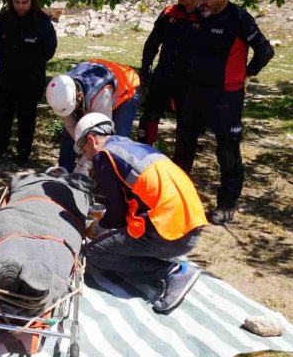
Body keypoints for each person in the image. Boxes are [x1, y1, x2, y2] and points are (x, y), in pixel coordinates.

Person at [75, 113, 208, 313]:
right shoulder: (130, 146)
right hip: (190, 223)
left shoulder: (104, 156)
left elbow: (117, 214)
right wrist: (108, 217)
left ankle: (171, 272)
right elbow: (138, 197)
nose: (86, 156)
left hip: (171, 234)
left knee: (96, 252)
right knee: (116, 236)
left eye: (84, 149)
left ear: (92, 139)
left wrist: (97, 227)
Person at [172, 0, 274, 225]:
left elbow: (264, 51)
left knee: (227, 150)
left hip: (226, 96)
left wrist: (247, 75)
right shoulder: (197, 16)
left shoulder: (239, 18)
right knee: (183, 146)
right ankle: (174, 196)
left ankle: (226, 204)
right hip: (193, 92)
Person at [136, 0, 202, 145]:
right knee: (148, 119)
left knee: (187, 128)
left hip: (189, 82)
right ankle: (142, 158)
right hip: (163, 75)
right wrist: (145, 69)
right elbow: (152, 43)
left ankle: (181, 168)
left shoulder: (207, 17)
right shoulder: (169, 14)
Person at [0, 0, 57, 165]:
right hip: (6, 78)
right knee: (3, 114)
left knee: (27, 116)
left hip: (31, 79)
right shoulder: (3, 20)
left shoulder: (43, 23)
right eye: (16, 2)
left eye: (24, 2)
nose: (20, 6)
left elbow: (49, 50)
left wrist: (31, 56)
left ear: (32, 2)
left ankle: (23, 152)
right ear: (10, 1)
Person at [46, 59, 141, 171]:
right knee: (69, 135)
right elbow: (70, 125)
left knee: (117, 139)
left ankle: (116, 176)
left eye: (72, 109)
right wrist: (83, 149)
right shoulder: (61, 91)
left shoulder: (99, 94)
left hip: (126, 91)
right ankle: (64, 172)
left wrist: (83, 165)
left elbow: (103, 135)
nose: (71, 113)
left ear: (80, 96)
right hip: (97, 78)